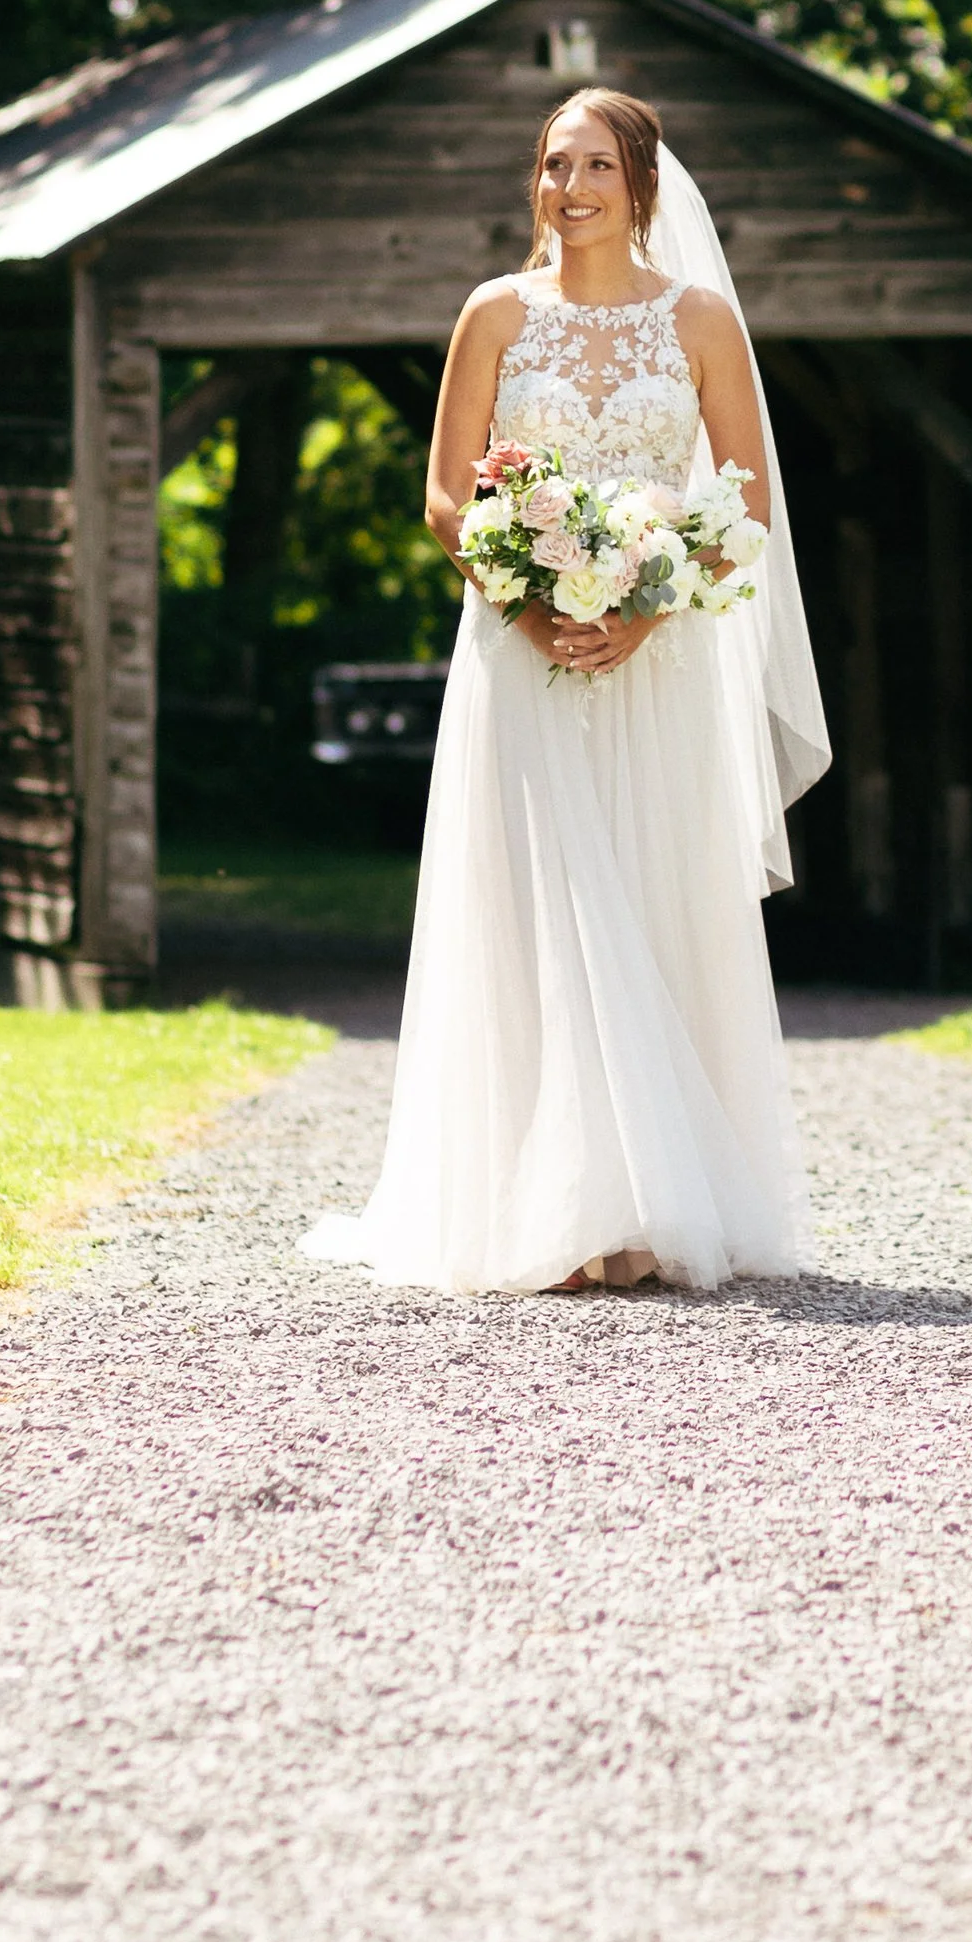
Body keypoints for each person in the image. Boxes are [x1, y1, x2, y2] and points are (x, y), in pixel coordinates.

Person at [304, 89, 830, 1297]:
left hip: (659, 664)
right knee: (534, 913)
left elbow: (745, 502)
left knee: (647, 903)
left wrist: (643, 607)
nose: (571, 187)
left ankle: (654, 1205)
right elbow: (445, 495)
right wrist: (525, 597)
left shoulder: (698, 322)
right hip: (516, 654)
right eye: (553, 165)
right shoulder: (494, 314)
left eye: (596, 165)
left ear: (641, 185)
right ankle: (544, 1205)